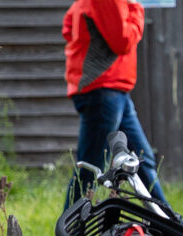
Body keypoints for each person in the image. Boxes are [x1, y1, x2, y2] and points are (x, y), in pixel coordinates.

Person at [63, 0, 166, 207]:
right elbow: (123, 41)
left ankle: (169, 223)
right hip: (103, 89)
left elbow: (68, 26)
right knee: (90, 169)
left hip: (113, 89)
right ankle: (70, 231)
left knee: (143, 161)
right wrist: (136, 7)